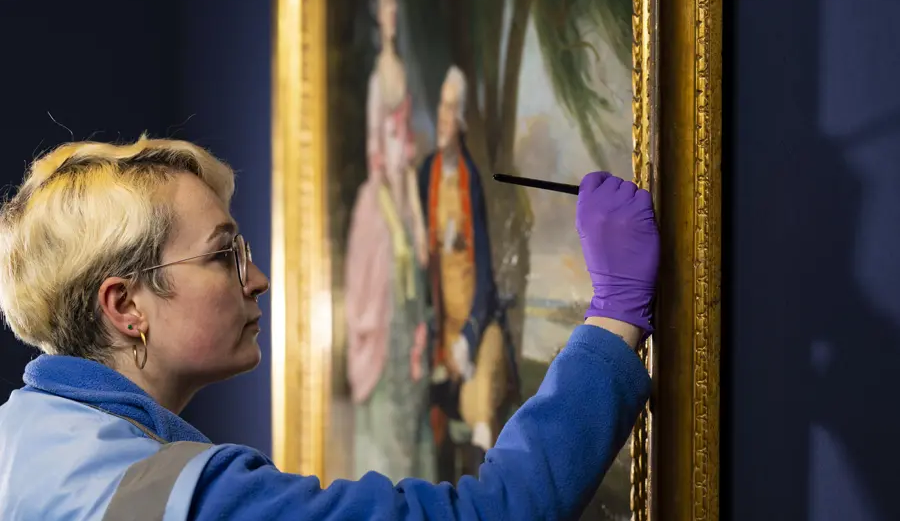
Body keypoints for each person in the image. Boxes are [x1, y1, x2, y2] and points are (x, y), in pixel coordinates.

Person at [0, 135, 657, 520]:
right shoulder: (175, 499)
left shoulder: (25, 442)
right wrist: (615, 315)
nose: (256, 280)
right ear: (125, 307)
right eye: (224, 254)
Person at [342, 0, 433, 482]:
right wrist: (398, 230)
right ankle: (387, 476)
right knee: (388, 328)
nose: (392, 10)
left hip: (400, 208)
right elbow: (383, 163)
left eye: (397, 0)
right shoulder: (380, 79)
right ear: (378, 13)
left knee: (411, 333)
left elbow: (408, 169)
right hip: (379, 217)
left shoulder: (402, 74)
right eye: (385, 2)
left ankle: (413, 475)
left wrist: (416, 225)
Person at [418, 66, 519, 479]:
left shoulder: (471, 180)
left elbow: (487, 279)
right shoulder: (427, 173)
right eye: (441, 107)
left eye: (451, 110)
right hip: (441, 328)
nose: (444, 119)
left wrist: (470, 336)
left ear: (461, 121)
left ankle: (489, 496)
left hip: (477, 321)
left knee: (480, 407)